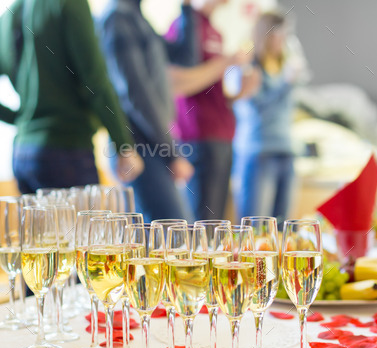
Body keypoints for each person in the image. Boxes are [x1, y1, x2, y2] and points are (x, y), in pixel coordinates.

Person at [97, 0, 237, 222]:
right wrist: (171, 152)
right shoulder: (118, 18)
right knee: (172, 234)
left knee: (164, 237)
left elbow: (186, 60)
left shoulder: (138, 19)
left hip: (153, 145)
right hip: (137, 146)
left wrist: (187, 7)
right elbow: (136, 95)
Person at [0, 0, 143, 193]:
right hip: (65, 149)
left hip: (23, 152)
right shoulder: (70, 3)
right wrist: (123, 144)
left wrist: (19, 118)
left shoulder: (12, 12)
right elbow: (95, 80)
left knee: (41, 225)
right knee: (82, 224)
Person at [167, 0, 261, 221]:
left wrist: (240, 92)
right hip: (198, 137)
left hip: (224, 135)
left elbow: (212, 91)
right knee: (202, 225)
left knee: (218, 223)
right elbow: (177, 83)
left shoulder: (216, 32)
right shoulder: (183, 25)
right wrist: (226, 62)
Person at [231, 12, 298, 224]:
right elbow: (255, 110)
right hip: (258, 152)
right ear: (267, 35)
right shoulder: (248, 67)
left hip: (286, 151)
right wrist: (286, 84)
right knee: (255, 227)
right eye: (281, 34)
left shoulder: (283, 66)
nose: (285, 39)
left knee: (283, 228)